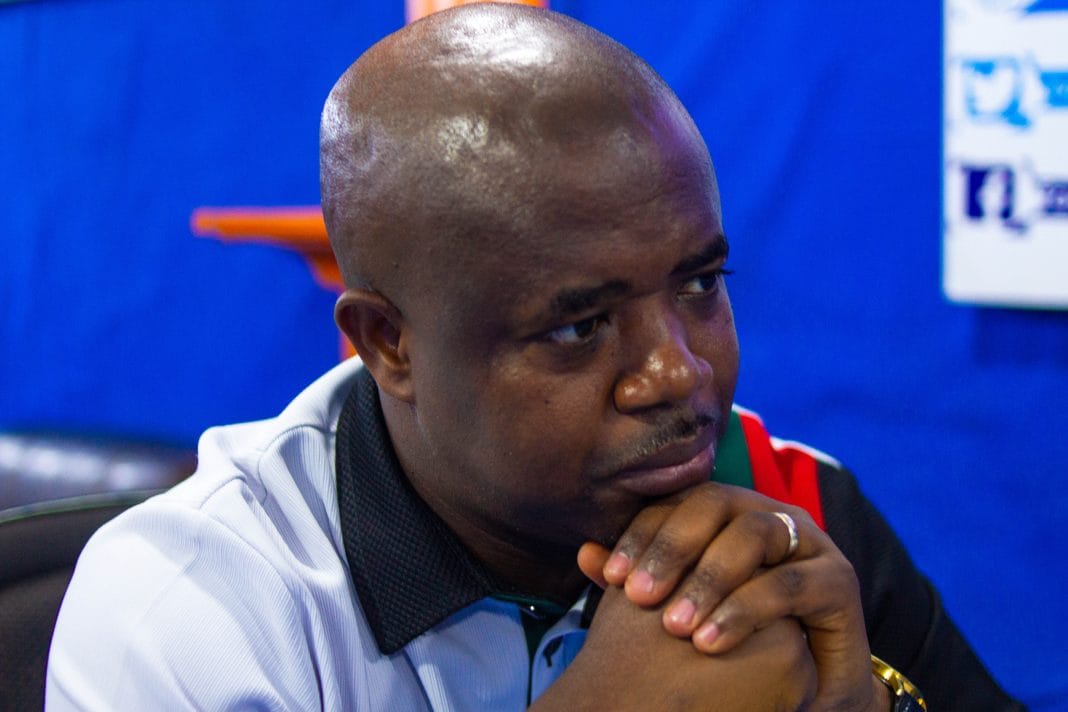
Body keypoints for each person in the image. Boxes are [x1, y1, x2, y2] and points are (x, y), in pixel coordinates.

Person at [47, 5, 1021, 710]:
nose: (679, 373)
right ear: (389, 344)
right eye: (578, 328)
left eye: (699, 284)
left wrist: (866, 702)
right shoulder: (198, 610)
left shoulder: (788, 506)